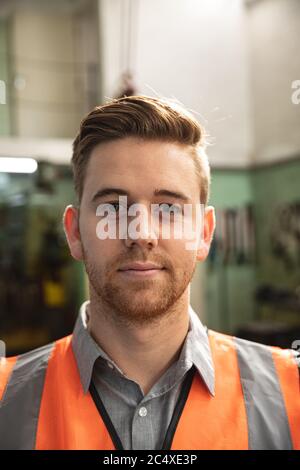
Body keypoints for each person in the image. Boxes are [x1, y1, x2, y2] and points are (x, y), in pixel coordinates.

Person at [0, 95, 299, 450]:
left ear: (204, 233)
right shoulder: (6, 398)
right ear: (75, 232)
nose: (141, 233)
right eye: (113, 206)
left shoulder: (290, 391)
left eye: (169, 209)